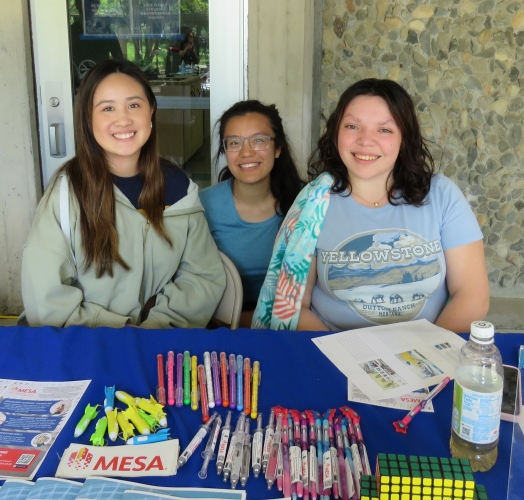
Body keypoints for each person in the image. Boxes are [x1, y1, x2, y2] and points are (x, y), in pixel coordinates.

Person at [253, 79, 489, 333]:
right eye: (353, 126)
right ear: (336, 133)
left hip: (428, 355)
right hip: (334, 352)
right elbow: (293, 307)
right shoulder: (312, 204)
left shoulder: (442, 196)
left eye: (384, 130)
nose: (366, 141)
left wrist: (424, 353)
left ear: (404, 138)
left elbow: (472, 296)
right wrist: (348, 356)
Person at [18, 59, 225, 329]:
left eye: (134, 105)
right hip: (88, 345)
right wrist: (123, 335)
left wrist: (156, 329)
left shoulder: (178, 188)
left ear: (151, 110)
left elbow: (202, 276)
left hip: (161, 345)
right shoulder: (68, 193)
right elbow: (46, 299)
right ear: (87, 118)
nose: (123, 119)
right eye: (107, 108)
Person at [199, 100, 303, 328]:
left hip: (289, 323)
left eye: (258, 141)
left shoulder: (306, 204)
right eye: (234, 143)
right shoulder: (203, 205)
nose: (246, 152)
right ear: (225, 151)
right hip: (222, 324)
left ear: (277, 149)